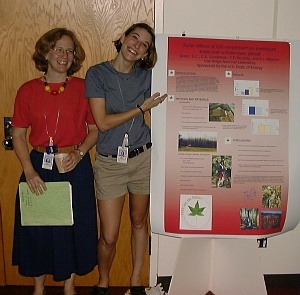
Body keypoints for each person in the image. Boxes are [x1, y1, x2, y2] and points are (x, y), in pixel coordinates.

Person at [11, 28, 98, 295]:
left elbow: (94, 129)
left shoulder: (84, 88)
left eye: (70, 50)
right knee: (39, 226)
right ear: (46, 52)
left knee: (73, 226)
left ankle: (68, 286)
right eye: (59, 49)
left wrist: (79, 153)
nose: (65, 55)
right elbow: (18, 134)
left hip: (74, 165)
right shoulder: (27, 90)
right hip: (38, 166)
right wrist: (29, 171)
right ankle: (39, 287)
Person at [85, 23, 167, 295]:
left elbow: (163, 108)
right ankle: (103, 282)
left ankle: (135, 281)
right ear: (122, 38)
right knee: (108, 235)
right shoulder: (97, 74)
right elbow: (103, 123)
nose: (137, 45)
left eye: (145, 44)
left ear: (146, 53)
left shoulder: (146, 76)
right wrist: (141, 108)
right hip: (110, 162)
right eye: (135, 38)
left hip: (142, 158)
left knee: (139, 221)